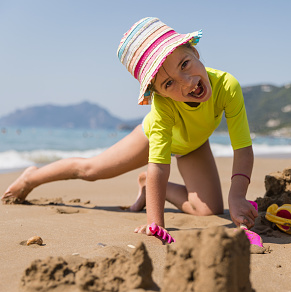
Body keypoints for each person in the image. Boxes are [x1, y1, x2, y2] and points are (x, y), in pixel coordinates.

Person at [1, 17, 258, 239]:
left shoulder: (227, 86)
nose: (187, 82)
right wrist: (155, 223)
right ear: (157, 92)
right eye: (168, 84)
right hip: (150, 139)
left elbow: (243, 149)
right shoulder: (163, 108)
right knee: (91, 170)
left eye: (185, 64)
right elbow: (158, 164)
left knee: (209, 209)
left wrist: (237, 196)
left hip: (193, 144)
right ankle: (31, 176)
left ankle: (150, 188)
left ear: (194, 51)